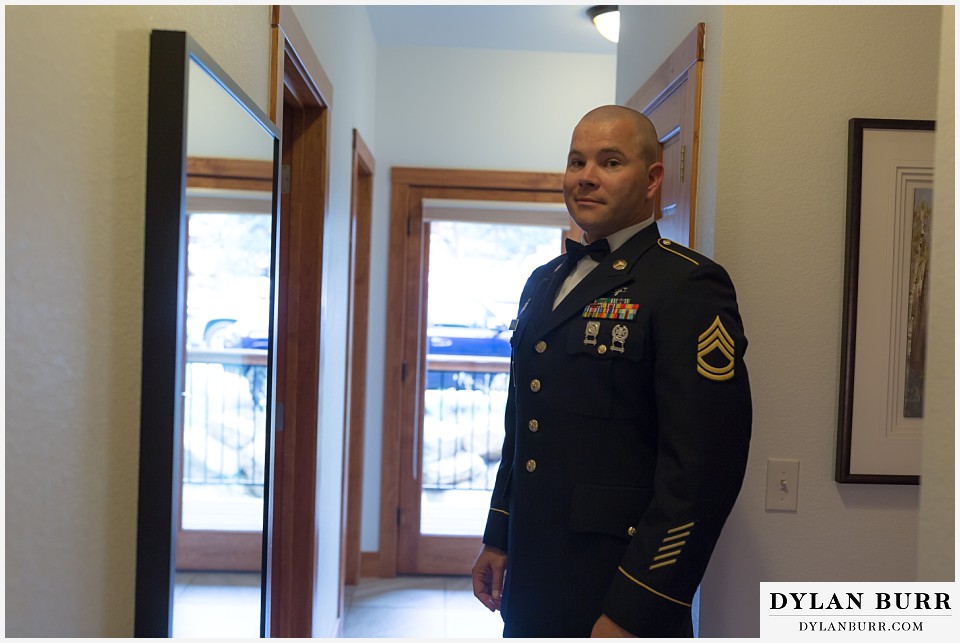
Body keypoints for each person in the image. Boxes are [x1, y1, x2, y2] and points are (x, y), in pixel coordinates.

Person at [471, 105, 752, 638]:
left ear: (652, 180)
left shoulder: (687, 286)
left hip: (618, 592)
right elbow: (524, 427)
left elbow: (703, 472)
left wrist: (636, 607)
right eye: (577, 161)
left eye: (610, 161)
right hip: (533, 583)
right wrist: (499, 533)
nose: (586, 176)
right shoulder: (543, 281)